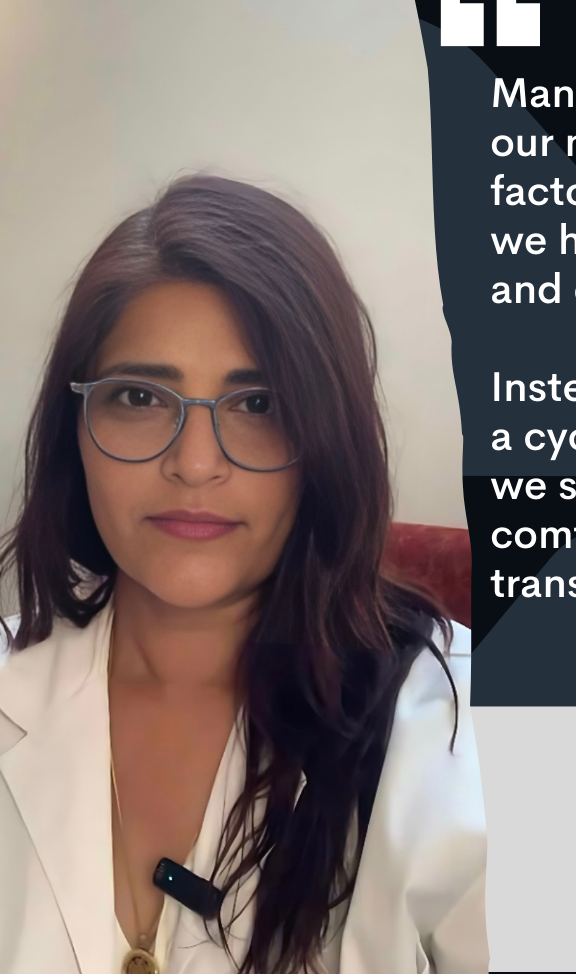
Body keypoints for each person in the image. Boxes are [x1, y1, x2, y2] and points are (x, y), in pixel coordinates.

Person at [0, 175, 486, 974]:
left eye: (259, 404)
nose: (195, 464)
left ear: (326, 439)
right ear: (73, 429)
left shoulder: (475, 730)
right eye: (139, 397)